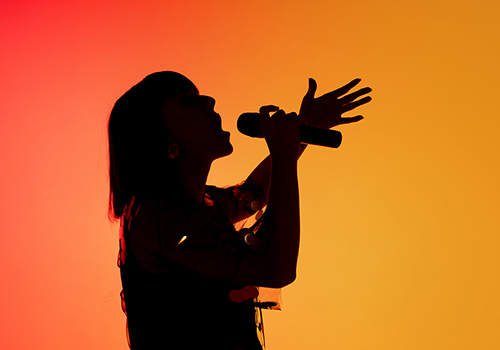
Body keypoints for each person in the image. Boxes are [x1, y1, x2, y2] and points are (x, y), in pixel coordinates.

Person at [108, 71, 371, 349]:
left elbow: (254, 192)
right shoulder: (160, 217)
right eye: (187, 100)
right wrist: (283, 155)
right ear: (157, 134)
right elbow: (275, 266)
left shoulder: (204, 204)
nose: (209, 101)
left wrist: (303, 130)